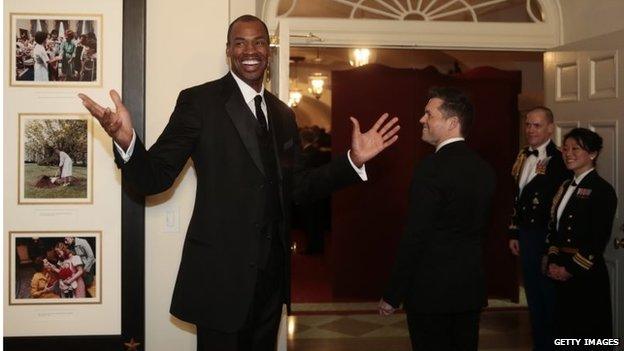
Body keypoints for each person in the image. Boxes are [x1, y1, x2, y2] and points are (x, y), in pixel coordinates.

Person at [78, 14, 399, 351]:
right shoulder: (199, 103)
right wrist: (126, 140)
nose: (251, 50)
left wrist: (352, 162)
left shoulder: (283, 114)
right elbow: (153, 177)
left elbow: (299, 187)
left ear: (269, 51)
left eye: (259, 41)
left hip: (272, 282)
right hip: (220, 278)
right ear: (229, 50)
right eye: (241, 42)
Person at [379, 87, 496, 351]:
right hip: (470, 289)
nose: (422, 119)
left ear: (452, 123)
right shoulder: (484, 168)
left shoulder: (430, 169)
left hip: (431, 292)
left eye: (428, 114)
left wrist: (392, 294)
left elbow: (416, 235)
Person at [508, 106, 569, 351]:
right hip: (526, 235)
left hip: (547, 236)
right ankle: (539, 344)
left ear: (550, 128)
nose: (531, 129)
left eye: (537, 125)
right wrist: (514, 231)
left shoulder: (561, 159)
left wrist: (551, 245)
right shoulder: (523, 155)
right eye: (528, 124)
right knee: (533, 296)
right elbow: (517, 196)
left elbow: (561, 207)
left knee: (550, 298)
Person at [546, 128, 616, 342]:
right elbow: (555, 230)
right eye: (565, 148)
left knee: (587, 333)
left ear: (592, 154)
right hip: (561, 269)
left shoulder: (602, 190)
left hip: (585, 273)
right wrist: (554, 261)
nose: (568, 153)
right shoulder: (565, 185)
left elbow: (597, 239)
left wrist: (570, 269)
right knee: (564, 331)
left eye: (576, 149)